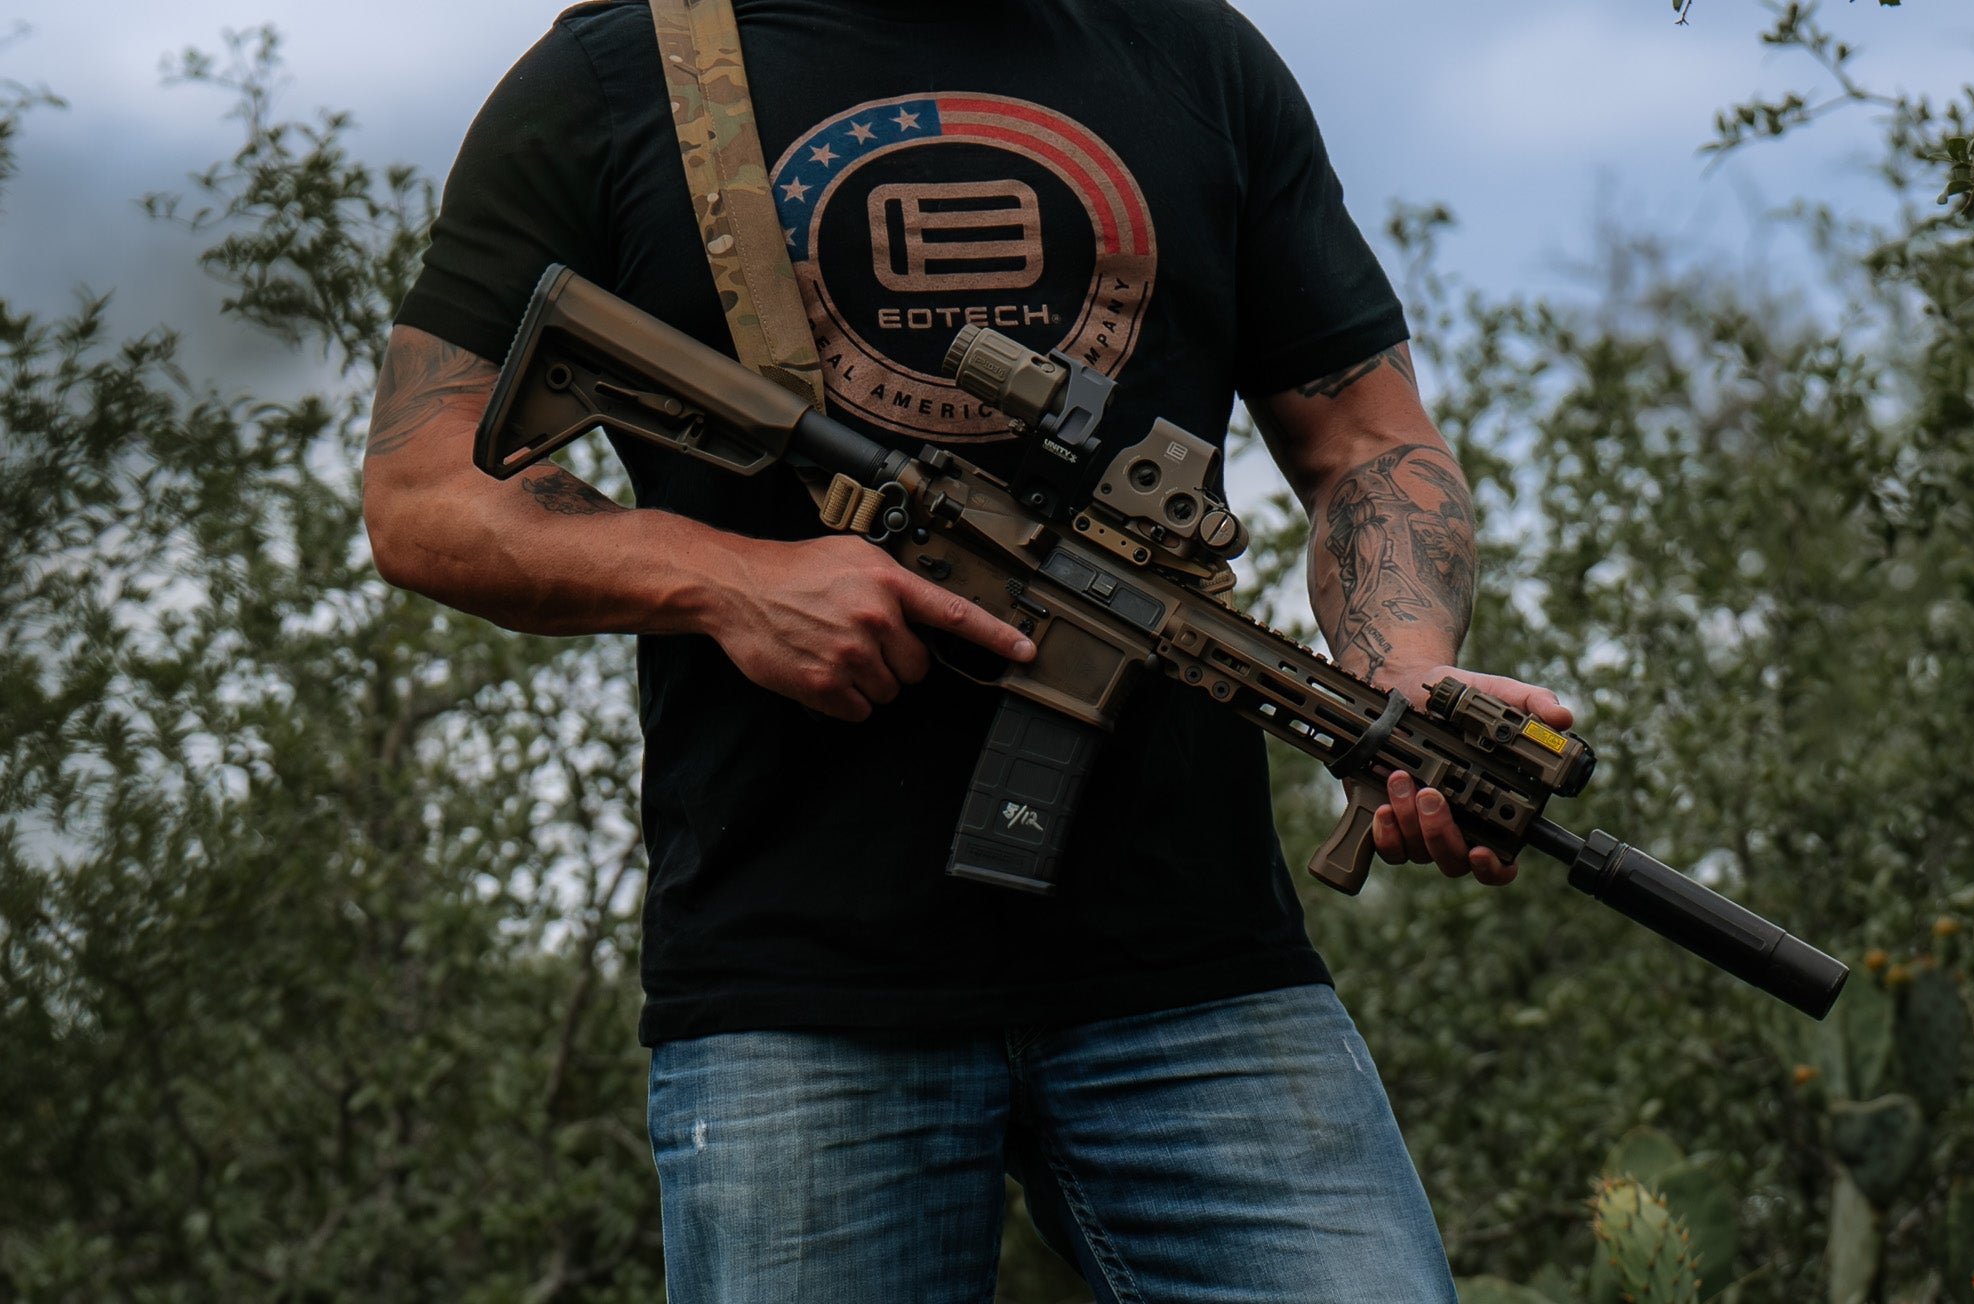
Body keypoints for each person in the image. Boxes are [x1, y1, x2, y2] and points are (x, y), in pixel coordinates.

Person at [362, 0, 1571, 1298]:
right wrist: (730, 578)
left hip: (1197, 974)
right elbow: (426, 492)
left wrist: (1398, 675)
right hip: (797, 990)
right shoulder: (623, 71)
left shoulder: (1192, 53)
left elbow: (1367, 442)